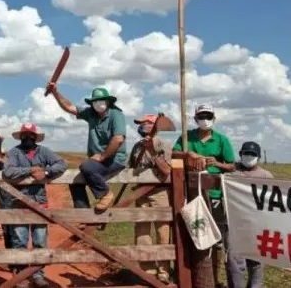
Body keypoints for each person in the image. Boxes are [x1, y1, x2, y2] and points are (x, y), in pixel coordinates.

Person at [172, 103, 235, 288]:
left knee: (214, 237)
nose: (205, 119)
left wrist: (217, 163)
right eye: (201, 116)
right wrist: (188, 154)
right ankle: (190, 276)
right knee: (193, 233)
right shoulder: (187, 137)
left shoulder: (221, 140)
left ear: (213, 119)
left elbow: (231, 165)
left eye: (208, 116)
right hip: (190, 193)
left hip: (215, 194)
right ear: (195, 119)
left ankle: (213, 277)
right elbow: (173, 153)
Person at [3, 123, 68, 288]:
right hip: (19, 202)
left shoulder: (44, 151)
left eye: (30, 135)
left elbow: (62, 164)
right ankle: (21, 275)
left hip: (39, 202)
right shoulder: (14, 152)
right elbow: (8, 172)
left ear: (35, 137)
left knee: (40, 240)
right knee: (19, 240)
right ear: (20, 136)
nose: (27, 137)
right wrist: (31, 170)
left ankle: (38, 274)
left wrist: (45, 172)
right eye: (24, 135)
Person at [47, 84, 127, 211]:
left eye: (101, 100)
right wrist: (55, 93)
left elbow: (118, 139)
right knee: (75, 182)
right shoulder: (91, 113)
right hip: (98, 161)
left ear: (108, 101)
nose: (98, 103)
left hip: (114, 159)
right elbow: (70, 107)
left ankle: (106, 194)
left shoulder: (116, 115)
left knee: (86, 167)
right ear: (92, 103)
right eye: (95, 101)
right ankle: (83, 213)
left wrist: (102, 156)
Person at [130, 114, 173, 283]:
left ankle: (164, 271)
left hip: (159, 193)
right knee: (142, 231)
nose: (141, 126)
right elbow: (132, 168)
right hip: (141, 193)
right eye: (140, 124)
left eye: (145, 123)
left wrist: (152, 152)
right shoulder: (137, 146)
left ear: (154, 126)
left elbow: (167, 171)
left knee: (162, 232)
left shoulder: (163, 144)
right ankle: (147, 270)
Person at [225, 141, 272, 288]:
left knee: (257, 261)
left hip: (258, 225)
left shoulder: (266, 176)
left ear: (258, 157)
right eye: (246, 153)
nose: (249, 156)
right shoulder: (231, 173)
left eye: (252, 154)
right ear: (240, 154)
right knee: (234, 260)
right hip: (235, 224)